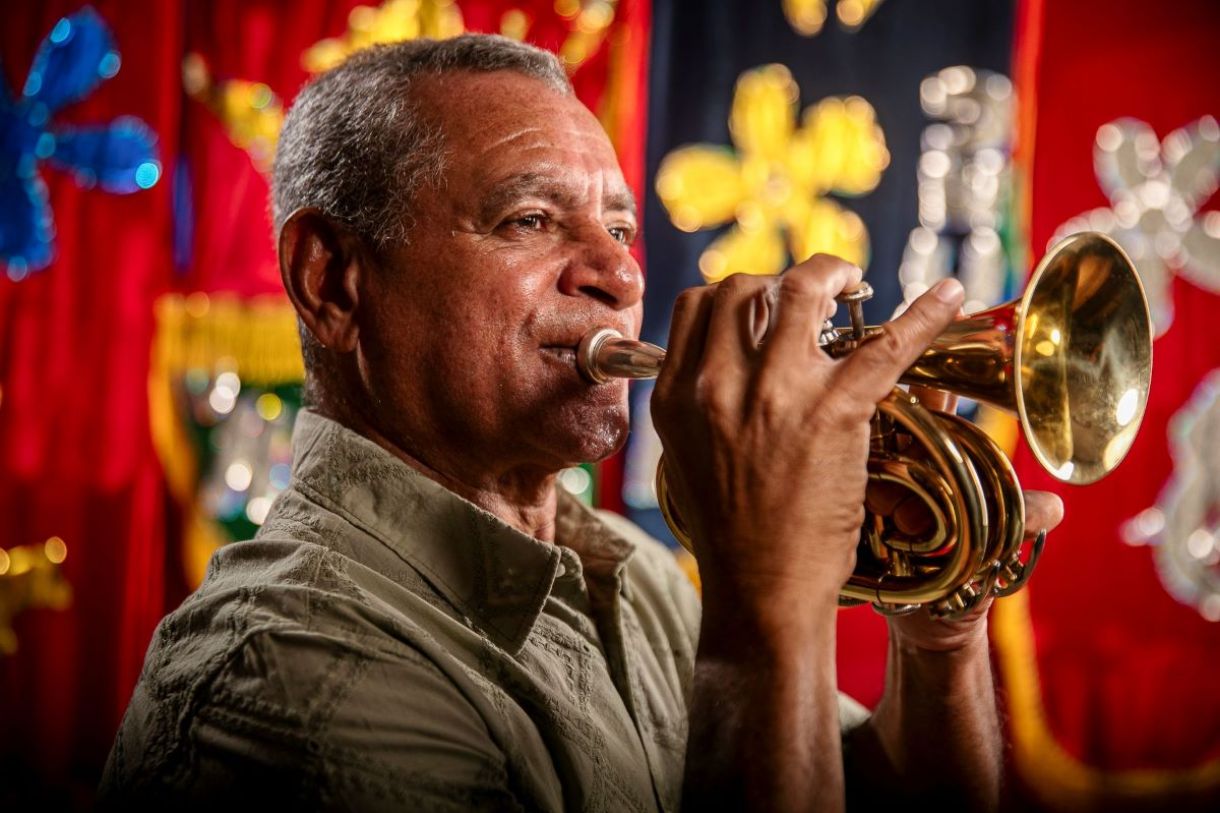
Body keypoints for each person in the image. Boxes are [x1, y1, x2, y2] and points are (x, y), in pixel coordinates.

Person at [100, 34, 1063, 812]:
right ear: (332, 281)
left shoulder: (634, 575)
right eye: (527, 219)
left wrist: (941, 631)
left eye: (622, 228)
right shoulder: (292, 675)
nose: (622, 275)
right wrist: (766, 595)